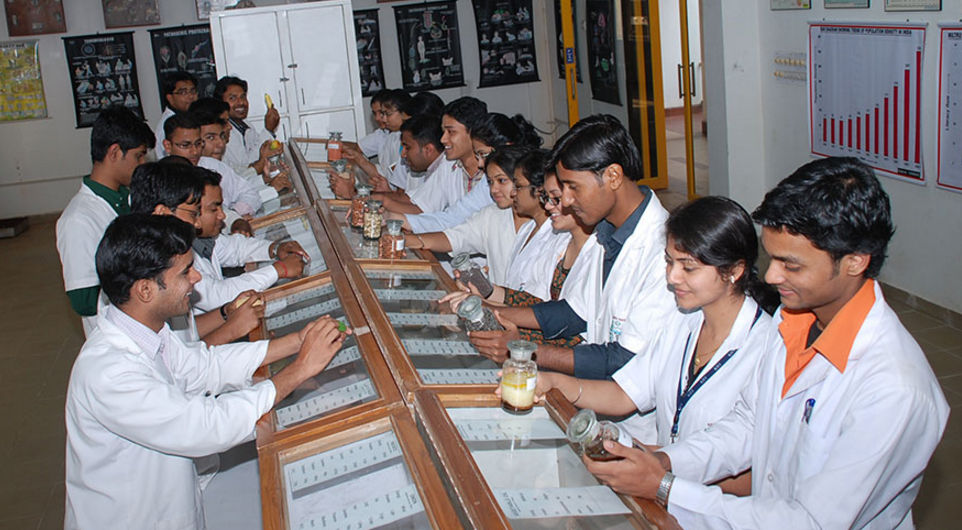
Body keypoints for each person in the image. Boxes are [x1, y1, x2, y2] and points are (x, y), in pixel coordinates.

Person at [602, 157, 949, 529]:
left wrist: (667, 488)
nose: (770, 275)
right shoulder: (792, 322)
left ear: (854, 262)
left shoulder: (893, 388)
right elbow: (748, 423)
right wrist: (666, 462)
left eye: (791, 265)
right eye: (772, 258)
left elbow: (812, 521)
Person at [65, 214, 350, 529]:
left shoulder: (149, 332)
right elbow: (208, 425)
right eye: (185, 272)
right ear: (145, 290)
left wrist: (297, 341)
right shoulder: (109, 373)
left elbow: (205, 366)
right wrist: (298, 371)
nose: (197, 278)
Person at [531, 196, 779, 491]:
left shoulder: (767, 348)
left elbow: (755, 472)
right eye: (669, 262)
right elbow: (625, 394)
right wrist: (554, 382)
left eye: (688, 268)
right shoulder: (682, 321)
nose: (672, 277)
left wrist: (660, 471)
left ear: (734, 271)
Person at [470, 114, 676, 381]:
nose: (565, 201)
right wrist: (491, 311)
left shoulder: (661, 253)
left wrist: (525, 351)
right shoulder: (606, 231)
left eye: (573, 187)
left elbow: (624, 359)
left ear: (613, 176)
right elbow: (574, 312)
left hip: (627, 397)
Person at [129, 160, 264, 346]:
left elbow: (186, 332)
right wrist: (231, 330)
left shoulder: (166, 255)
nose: (198, 224)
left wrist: (226, 312)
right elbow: (182, 361)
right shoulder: (142, 272)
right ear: (162, 214)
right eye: (193, 214)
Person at [56, 106, 155, 336]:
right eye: (138, 156)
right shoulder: (78, 219)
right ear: (114, 152)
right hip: (118, 334)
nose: (142, 163)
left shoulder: (128, 198)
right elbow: (83, 300)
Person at [397, 112, 543, 234]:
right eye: (477, 155)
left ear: (507, 147)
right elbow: (454, 217)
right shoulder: (487, 184)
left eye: (483, 154)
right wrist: (400, 220)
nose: (480, 163)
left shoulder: (534, 182)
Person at [405, 145, 529, 287]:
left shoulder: (544, 226)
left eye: (501, 181)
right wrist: (410, 240)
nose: (494, 189)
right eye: (490, 182)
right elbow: (455, 238)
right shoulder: (492, 216)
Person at [189, 168, 307, 313]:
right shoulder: (176, 253)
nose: (222, 216)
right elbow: (216, 296)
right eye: (214, 209)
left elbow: (235, 248)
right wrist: (278, 270)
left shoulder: (202, 238)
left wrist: (274, 248)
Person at [162, 112, 262, 234]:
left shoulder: (211, 165)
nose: (195, 151)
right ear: (168, 146)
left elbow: (250, 193)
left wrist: (235, 218)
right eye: (185, 145)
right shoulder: (162, 178)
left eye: (198, 144)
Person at [214, 75, 282, 176]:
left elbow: (258, 154)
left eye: (243, 97)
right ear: (221, 103)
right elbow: (248, 166)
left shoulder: (245, 124)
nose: (241, 102)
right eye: (232, 98)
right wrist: (268, 131)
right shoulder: (225, 132)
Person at [154, 71, 198, 158]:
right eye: (183, 92)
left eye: (193, 91)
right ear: (170, 98)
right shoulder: (167, 125)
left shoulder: (188, 118)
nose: (190, 96)